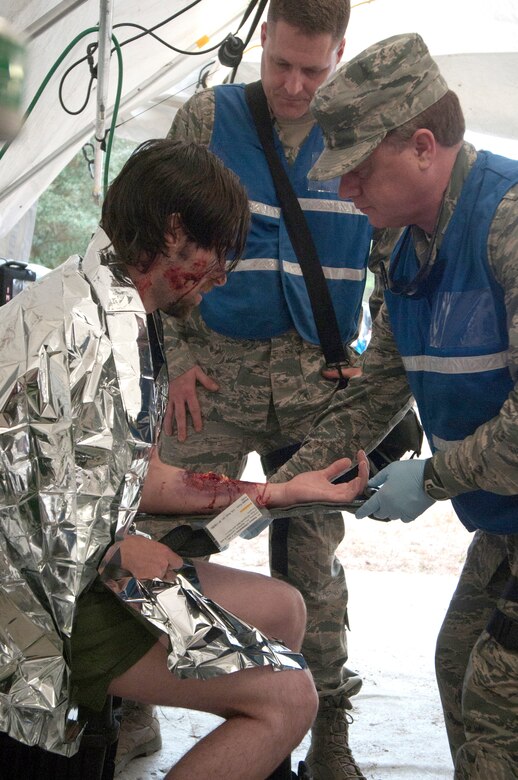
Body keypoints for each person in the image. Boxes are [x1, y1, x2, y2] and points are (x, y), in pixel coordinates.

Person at [0, 138, 370, 779]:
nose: (221, 276)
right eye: (217, 256)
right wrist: (120, 552)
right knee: (290, 698)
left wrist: (280, 493)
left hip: (86, 570)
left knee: (285, 609)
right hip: (42, 605)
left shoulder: (113, 307)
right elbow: (46, 530)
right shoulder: (76, 334)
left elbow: (134, 478)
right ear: (172, 232)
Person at [154, 3, 393, 777]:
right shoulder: (207, 116)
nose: (294, 85)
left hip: (318, 385)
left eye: (312, 70)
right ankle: (128, 712)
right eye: (283, 63)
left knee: (311, 570)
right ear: (263, 38)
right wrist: (176, 353)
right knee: (166, 549)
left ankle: (325, 734)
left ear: (340, 53)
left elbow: (399, 248)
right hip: (211, 379)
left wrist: (376, 369)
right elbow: (147, 235)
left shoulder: (364, 124)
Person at [272, 32, 518, 780]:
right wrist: (277, 491)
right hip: (505, 523)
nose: (344, 193)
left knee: (495, 704)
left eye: (356, 173)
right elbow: (381, 381)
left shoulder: (506, 222)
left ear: (421, 146)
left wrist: (435, 479)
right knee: (457, 659)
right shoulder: (407, 246)